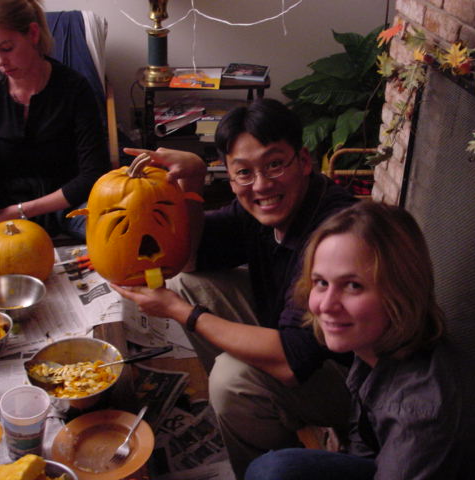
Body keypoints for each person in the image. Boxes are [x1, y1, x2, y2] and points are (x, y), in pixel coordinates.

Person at [113, 98, 359, 479]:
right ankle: (258, 417)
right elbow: (191, 259)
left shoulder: (333, 232)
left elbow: (292, 360)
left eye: (275, 164)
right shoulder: (256, 207)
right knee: (189, 284)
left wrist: (182, 313)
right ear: (229, 177)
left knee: (232, 381)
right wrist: (193, 185)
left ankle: (273, 460)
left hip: (352, 381)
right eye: (244, 172)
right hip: (289, 334)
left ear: (304, 161)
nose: (261, 184)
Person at [245, 201, 475, 480]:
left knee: (275, 472)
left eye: (353, 286)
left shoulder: (420, 408)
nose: (327, 305)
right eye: (321, 282)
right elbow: (365, 449)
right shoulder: (376, 348)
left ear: (400, 290)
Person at [0, 0, 110, 254]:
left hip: (67, 201)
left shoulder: (75, 88)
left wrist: (24, 210)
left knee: (116, 235)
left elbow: (93, 174)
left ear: (33, 33)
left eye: (7, 48)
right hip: (2, 203)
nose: (0, 62)